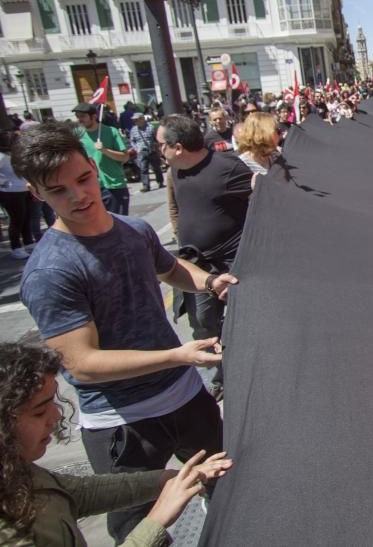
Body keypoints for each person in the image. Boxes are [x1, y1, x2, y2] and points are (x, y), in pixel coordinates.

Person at [13, 121, 235, 543]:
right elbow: (83, 363)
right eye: (60, 190)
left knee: (231, 488)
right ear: (36, 193)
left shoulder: (133, 229)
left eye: (83, 179)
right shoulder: (50, 270)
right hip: (123, 426)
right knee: (144, 531)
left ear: (95, 170)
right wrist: (179, 355)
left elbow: (170, 268)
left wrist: (208, 281)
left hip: (187, 399)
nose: (79, 195)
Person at [0, 343, 233, 546]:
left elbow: (81, 492)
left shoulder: (20, 470)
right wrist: (157, 520)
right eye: (39, 411)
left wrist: (172, 479)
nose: (56, 417)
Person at [158, 115, 252, 399]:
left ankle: (245, 372)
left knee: (240, 320)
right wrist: (179, 231)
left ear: (177, 147)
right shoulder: (175, 171)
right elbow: (175, 207)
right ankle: (218, 375)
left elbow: (262, 202)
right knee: (202, 322)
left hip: (233, 263)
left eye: (161, 145)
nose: (158, 151)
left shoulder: (227, 167)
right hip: (196, 265)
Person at [73, 103, 131, 216]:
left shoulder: (111, 131)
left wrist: (105, 150)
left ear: (94, 116)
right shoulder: (76, 136)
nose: (80, 119)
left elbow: (125, 157)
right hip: (90, 188)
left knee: (119, 224)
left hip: (113, 185)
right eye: (78, 116)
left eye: (83, 116)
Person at [0, 131, 35, 259]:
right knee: (16, 221)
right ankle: (16, 247)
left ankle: (28, 242)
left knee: (26, 218)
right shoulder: (2, 157)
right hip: (10, 193)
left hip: (24, 190)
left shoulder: (16, 156)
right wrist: (4, 183)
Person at [238, 112, 280, 178]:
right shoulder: (242, 165)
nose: (279, 135)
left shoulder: (277, 157)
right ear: (263, 135)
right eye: (277, 131)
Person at [128, 114, 164, 192]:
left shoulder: (150, 127)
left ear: (142, 119)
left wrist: (158, 148)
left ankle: (160, 181)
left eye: (137, 119)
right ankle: (146, 185)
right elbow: (132, 141)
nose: (135, 121)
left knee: (156, 167)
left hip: (151, 150)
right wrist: (136, 148)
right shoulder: (133, 130)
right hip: (141, 152)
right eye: (134, 120)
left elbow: (156, 138)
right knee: (143, 169)